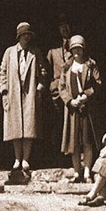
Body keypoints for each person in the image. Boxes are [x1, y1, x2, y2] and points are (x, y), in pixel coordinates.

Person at [0, 21, 48, 177]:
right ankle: (17, 159)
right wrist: (4, 91)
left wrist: (39, 88)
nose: (27, 38)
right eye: (24, 35)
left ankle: (26, 159)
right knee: (15, 127)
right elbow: (3, 72)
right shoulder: (9, 52)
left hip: (30, 93)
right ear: (19, 36)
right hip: (13, 92)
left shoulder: (35, 52)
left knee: (29, 127)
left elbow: (43, 72)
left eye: (28, 35)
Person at [59, 35, 102, 183]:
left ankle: (87, 172)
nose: (77, 51)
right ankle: (77, 172)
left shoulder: (90, 64)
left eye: (79, 48)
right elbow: (62, 87)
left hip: (87, 109)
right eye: (74, 48)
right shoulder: (67, 67)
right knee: (74, 143)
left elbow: (98, 83)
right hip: (73, 110)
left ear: (83, 49)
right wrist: (70, 101)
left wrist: (87, 95)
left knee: (87, 141)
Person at [45, 14, 73, 164]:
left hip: (72, 91)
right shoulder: (53, 51)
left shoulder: (76, 48)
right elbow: (45, 71)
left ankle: (71, 155)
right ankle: (56, 155)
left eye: (67, 26)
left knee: (71, 124)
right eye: (62, 27)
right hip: (56, 91)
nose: (65, 29)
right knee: (57, 122)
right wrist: (51, 85)